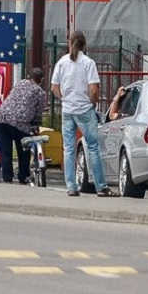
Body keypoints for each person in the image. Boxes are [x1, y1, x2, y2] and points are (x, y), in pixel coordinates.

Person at [50, 30, 112, 197]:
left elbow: (54, 87)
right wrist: (94, 101)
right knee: (93, 147)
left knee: (68, 148)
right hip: (85, 109)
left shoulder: (62, 62)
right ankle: (101, 186)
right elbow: (93, 89)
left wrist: (64, 98)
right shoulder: (88, 63)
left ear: (69, 43)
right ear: (85, 45)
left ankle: (71, 186)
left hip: (67, 110)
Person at [0, 67, 48, 184]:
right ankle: (23, 176)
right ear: (41, 80)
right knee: (23, 150)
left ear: (29, 77)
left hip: (2, 117)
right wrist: (37, 122)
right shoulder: (40, 92)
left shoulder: (20, 83)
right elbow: (39, 111)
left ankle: (7, 177)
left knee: (5, 150)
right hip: (21, 122)